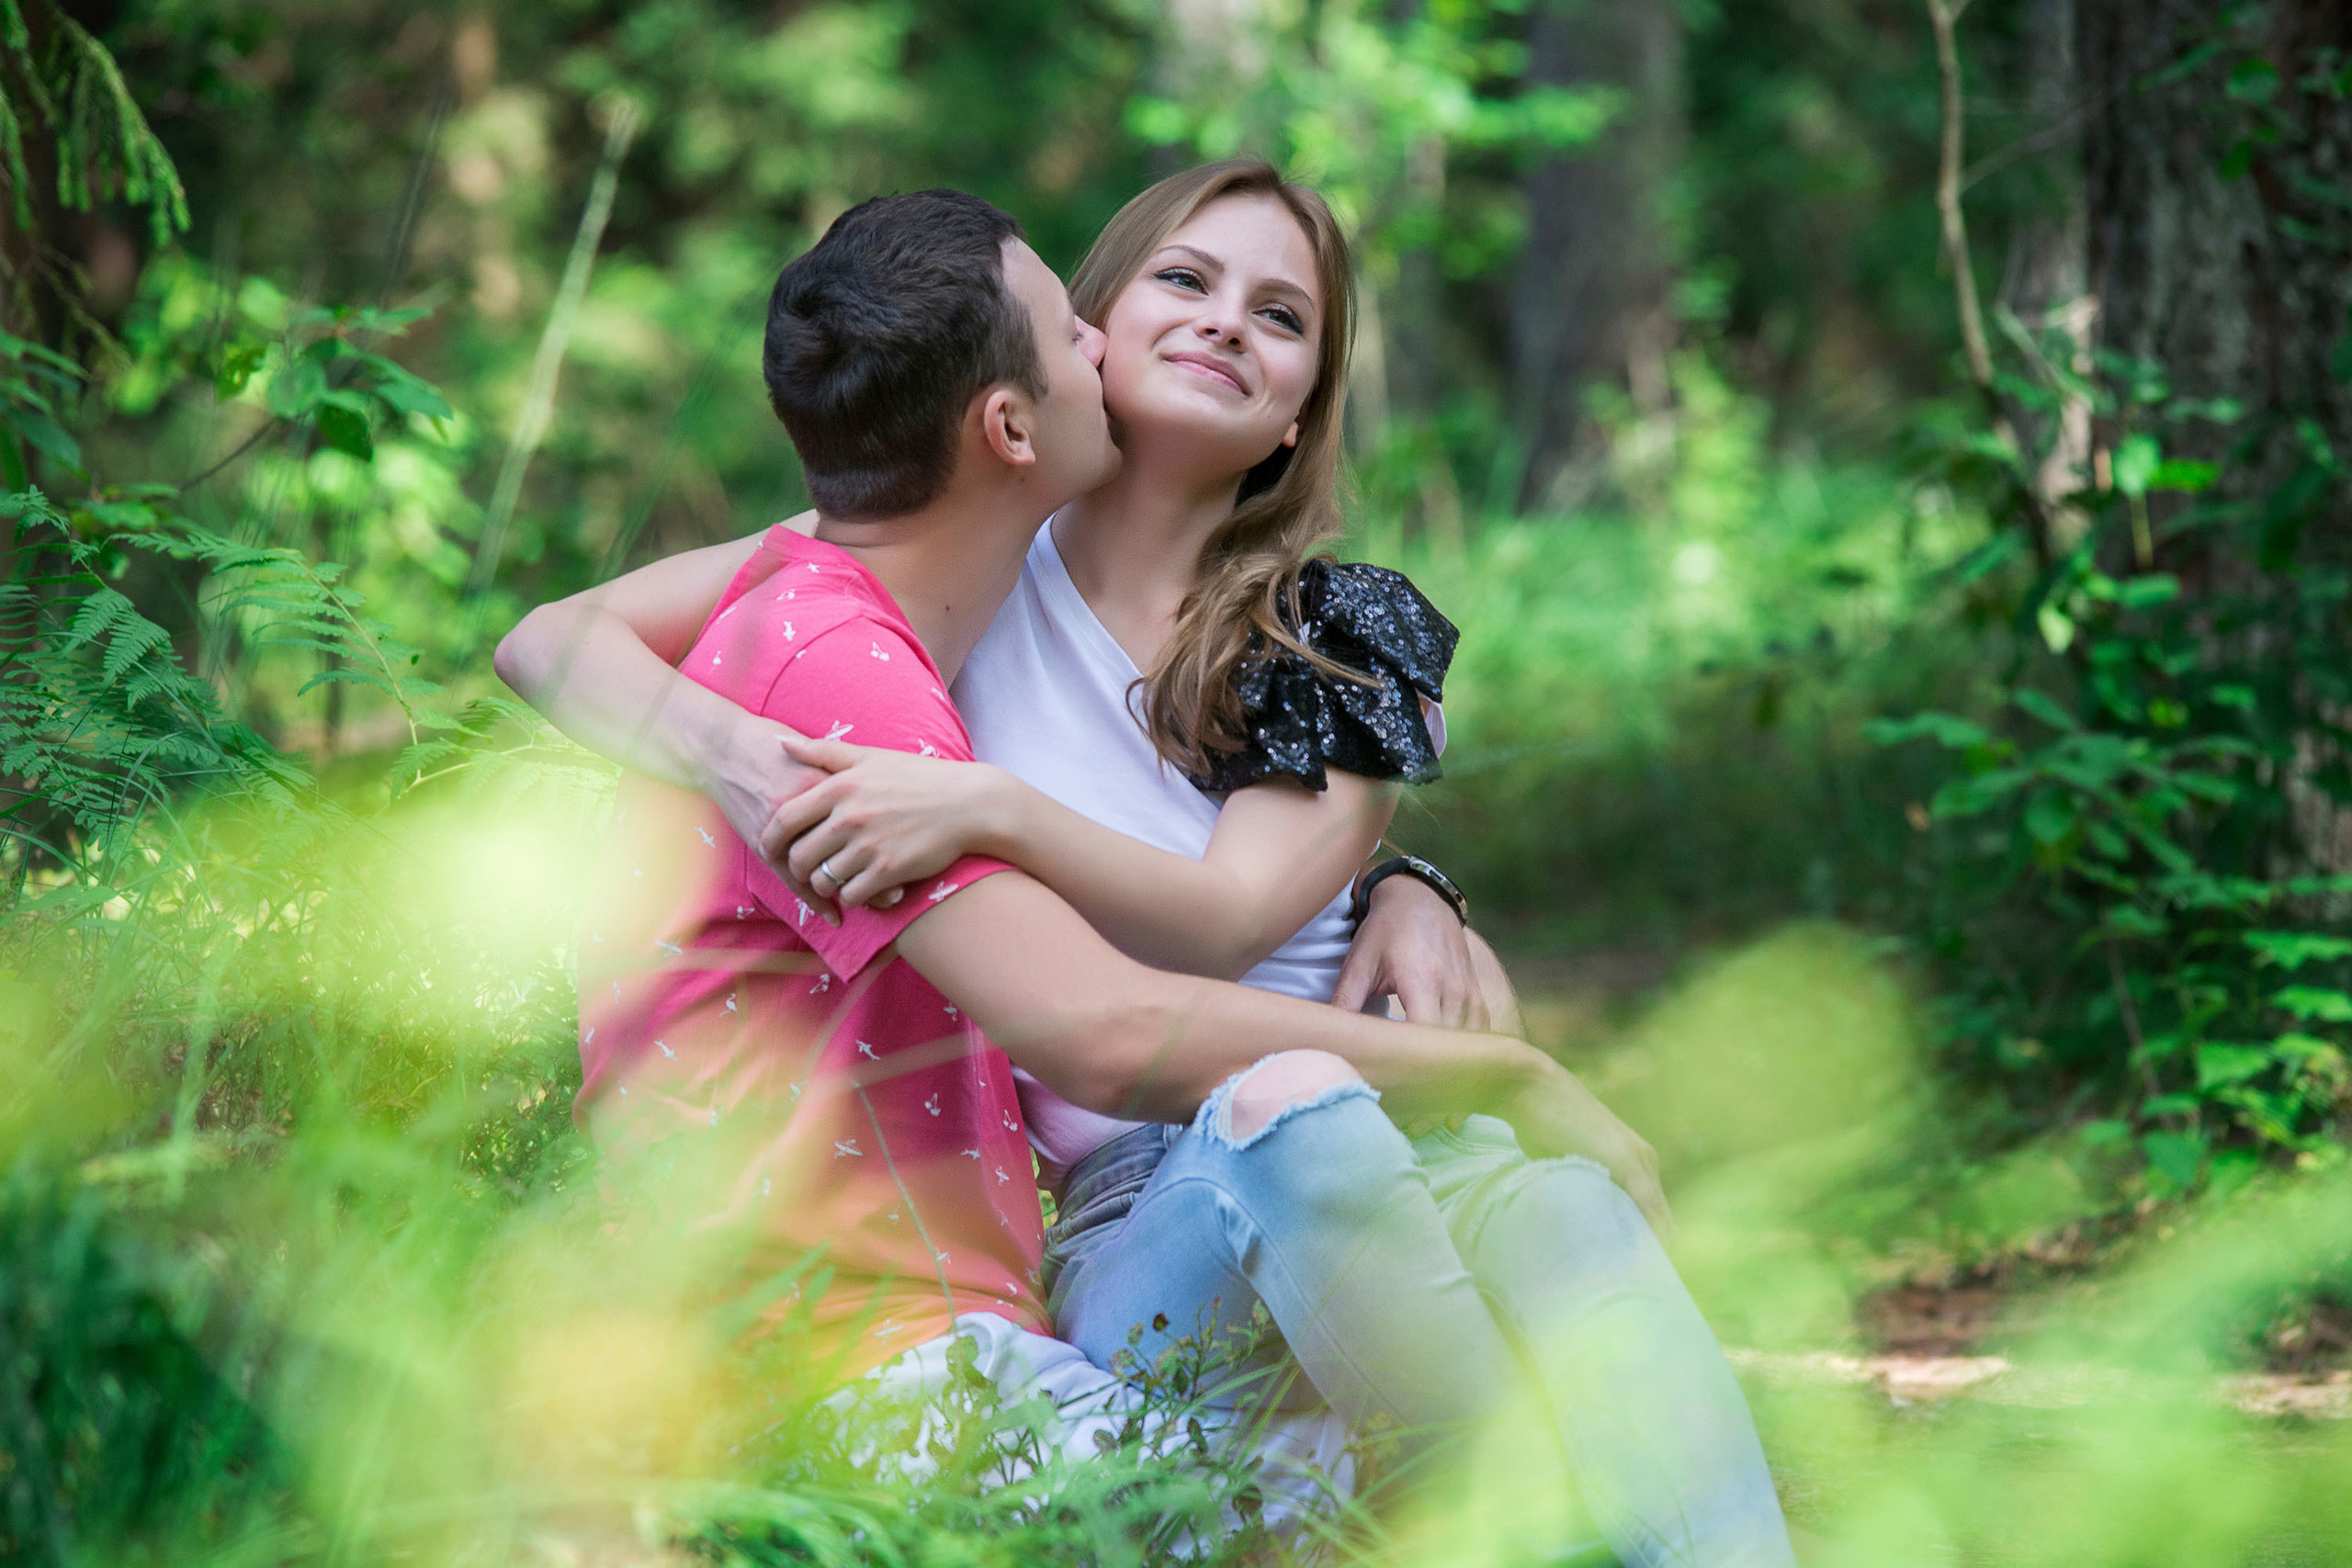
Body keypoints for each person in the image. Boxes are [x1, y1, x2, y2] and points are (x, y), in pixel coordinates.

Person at [500, 171, 1794, 1566]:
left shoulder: (1321, 635)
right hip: (1157, 1192)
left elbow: (1246, 907)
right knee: (1303, 1127)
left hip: (1370, 1128)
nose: (1228, 324)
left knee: (1564, 1205)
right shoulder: (954, 563)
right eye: (1183, 281)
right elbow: (555, 638)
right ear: (1090, 340)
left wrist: (1415, 888)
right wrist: (732, 755)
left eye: (1281, 314)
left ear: (1301, 410)